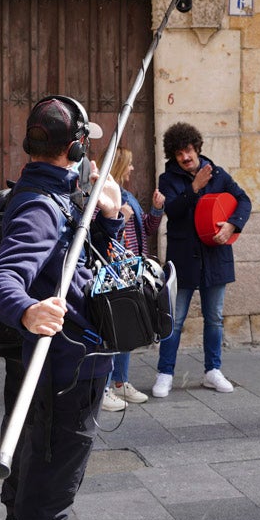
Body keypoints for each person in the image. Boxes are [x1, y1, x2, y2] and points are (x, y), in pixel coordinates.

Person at [0, 95, 123, 520]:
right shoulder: (42, 206)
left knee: (46, 463)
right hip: (69, 367)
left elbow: (78, 260)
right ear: (78, 146)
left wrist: (109, 216)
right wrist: (26, 310)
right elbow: (0, 278)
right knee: (56, 476)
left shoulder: (57, 192)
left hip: (67, 360)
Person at [151, 122, 251, 398]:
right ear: (173, 156)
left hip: (215, 257)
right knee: (176, 318)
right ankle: (165, 373)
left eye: (188, 150)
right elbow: (172, 210)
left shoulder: (217, 173)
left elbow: (244, 201)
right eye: (179, 153)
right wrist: (193, 187)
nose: (185, 157)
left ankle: (212, 371)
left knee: (215, 318)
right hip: (184, 257)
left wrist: (231, 226)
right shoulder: (167, 178)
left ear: (197, 147)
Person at [101, 146, 165, 412]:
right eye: (129, 164)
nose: (132, 168)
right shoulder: (103, 194)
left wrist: (156, 209)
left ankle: (120, 382)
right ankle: (102, 388)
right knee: (111, 330)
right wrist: (119, 216)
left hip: (132, 269)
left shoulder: (127, 195)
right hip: (113, 269)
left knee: (128, 328)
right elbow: (99, 236)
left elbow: (147, 229)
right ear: (118, 165)